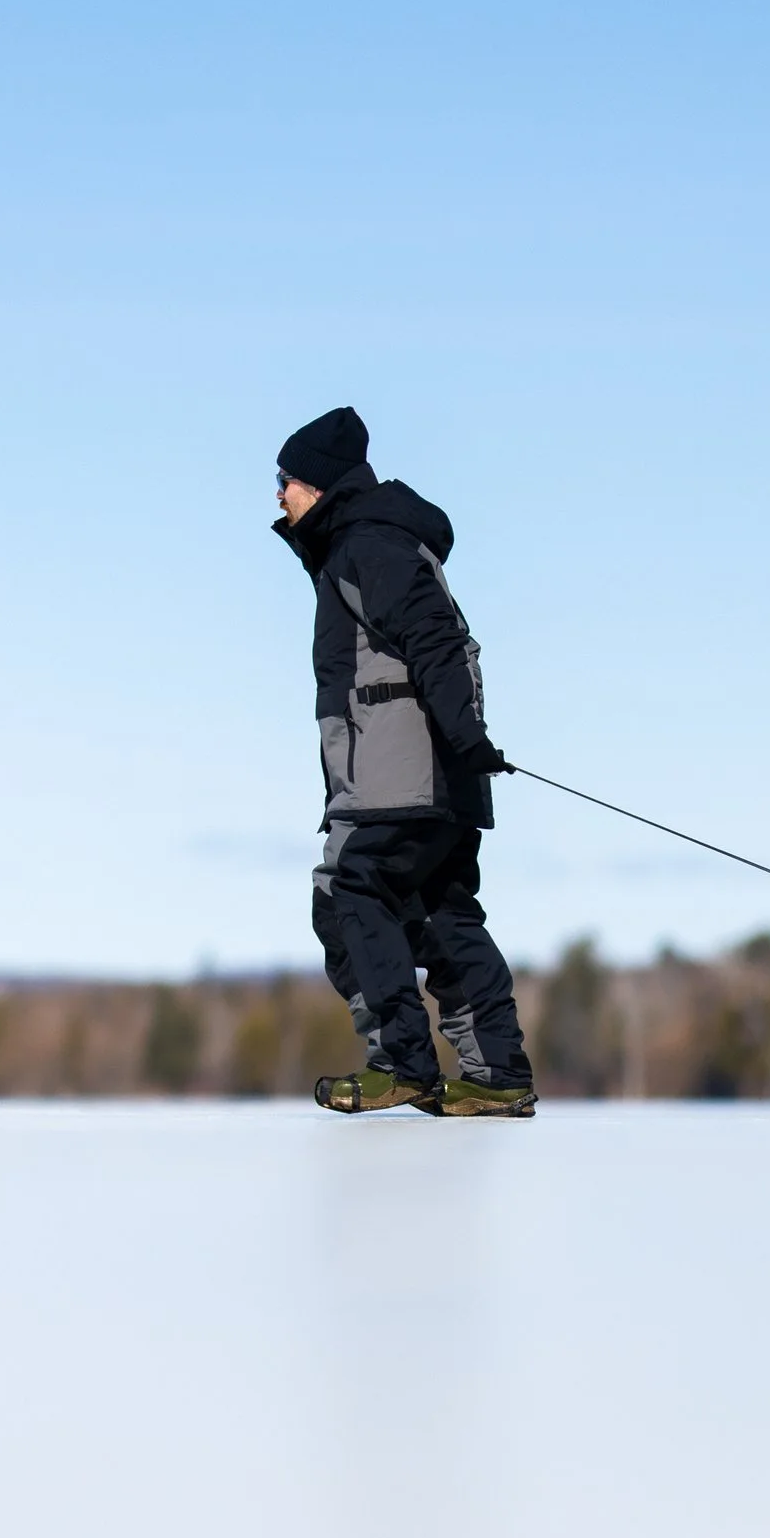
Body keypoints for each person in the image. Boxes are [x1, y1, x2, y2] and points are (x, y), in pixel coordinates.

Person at [273, 405, 537, 1116]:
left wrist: (463, 732)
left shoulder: (369, 543)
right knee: (443, 913)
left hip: (401, 775)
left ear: (322, 486)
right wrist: (466, 746)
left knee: (348, 893)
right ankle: (496, 1073)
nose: (279, 495)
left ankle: (403, 1061)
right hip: (431, 775)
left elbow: (434, 636)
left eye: (288, 479)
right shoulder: (370, 542)